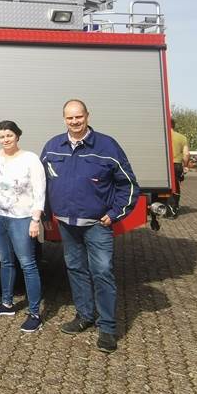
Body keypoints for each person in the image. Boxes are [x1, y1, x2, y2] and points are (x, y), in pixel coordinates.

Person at [40, 99, 139, 354]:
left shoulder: (107, 146)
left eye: (78, 117)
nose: (74, 122)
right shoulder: (53, 146)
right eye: (69, 118)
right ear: (64, 119)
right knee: (75, 268)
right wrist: (46, 214)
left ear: (87, 116)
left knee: (102, 272)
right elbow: (41, 182)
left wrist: (115, 213)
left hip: (96, 224)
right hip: (67, 223)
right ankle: (85, 315)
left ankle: (107, 327)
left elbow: (128, 184)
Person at [0, 120, 46, 332]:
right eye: (1, 136)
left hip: (22, 218)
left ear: (17, 136)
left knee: (27, 264)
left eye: (9, 135)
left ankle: (35, 313)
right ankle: (7, 303)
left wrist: (35, 220)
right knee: (5, 261)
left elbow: (40, 191)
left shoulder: (30, 159)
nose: (5, 139)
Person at [168, 118, 190, 217]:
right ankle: (174, 209)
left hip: (164, 164)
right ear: (174, 125)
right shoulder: (182, 137)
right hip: (176, 165)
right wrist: (185, 166)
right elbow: (186, 154)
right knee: (175, 186)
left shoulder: (161, 136)